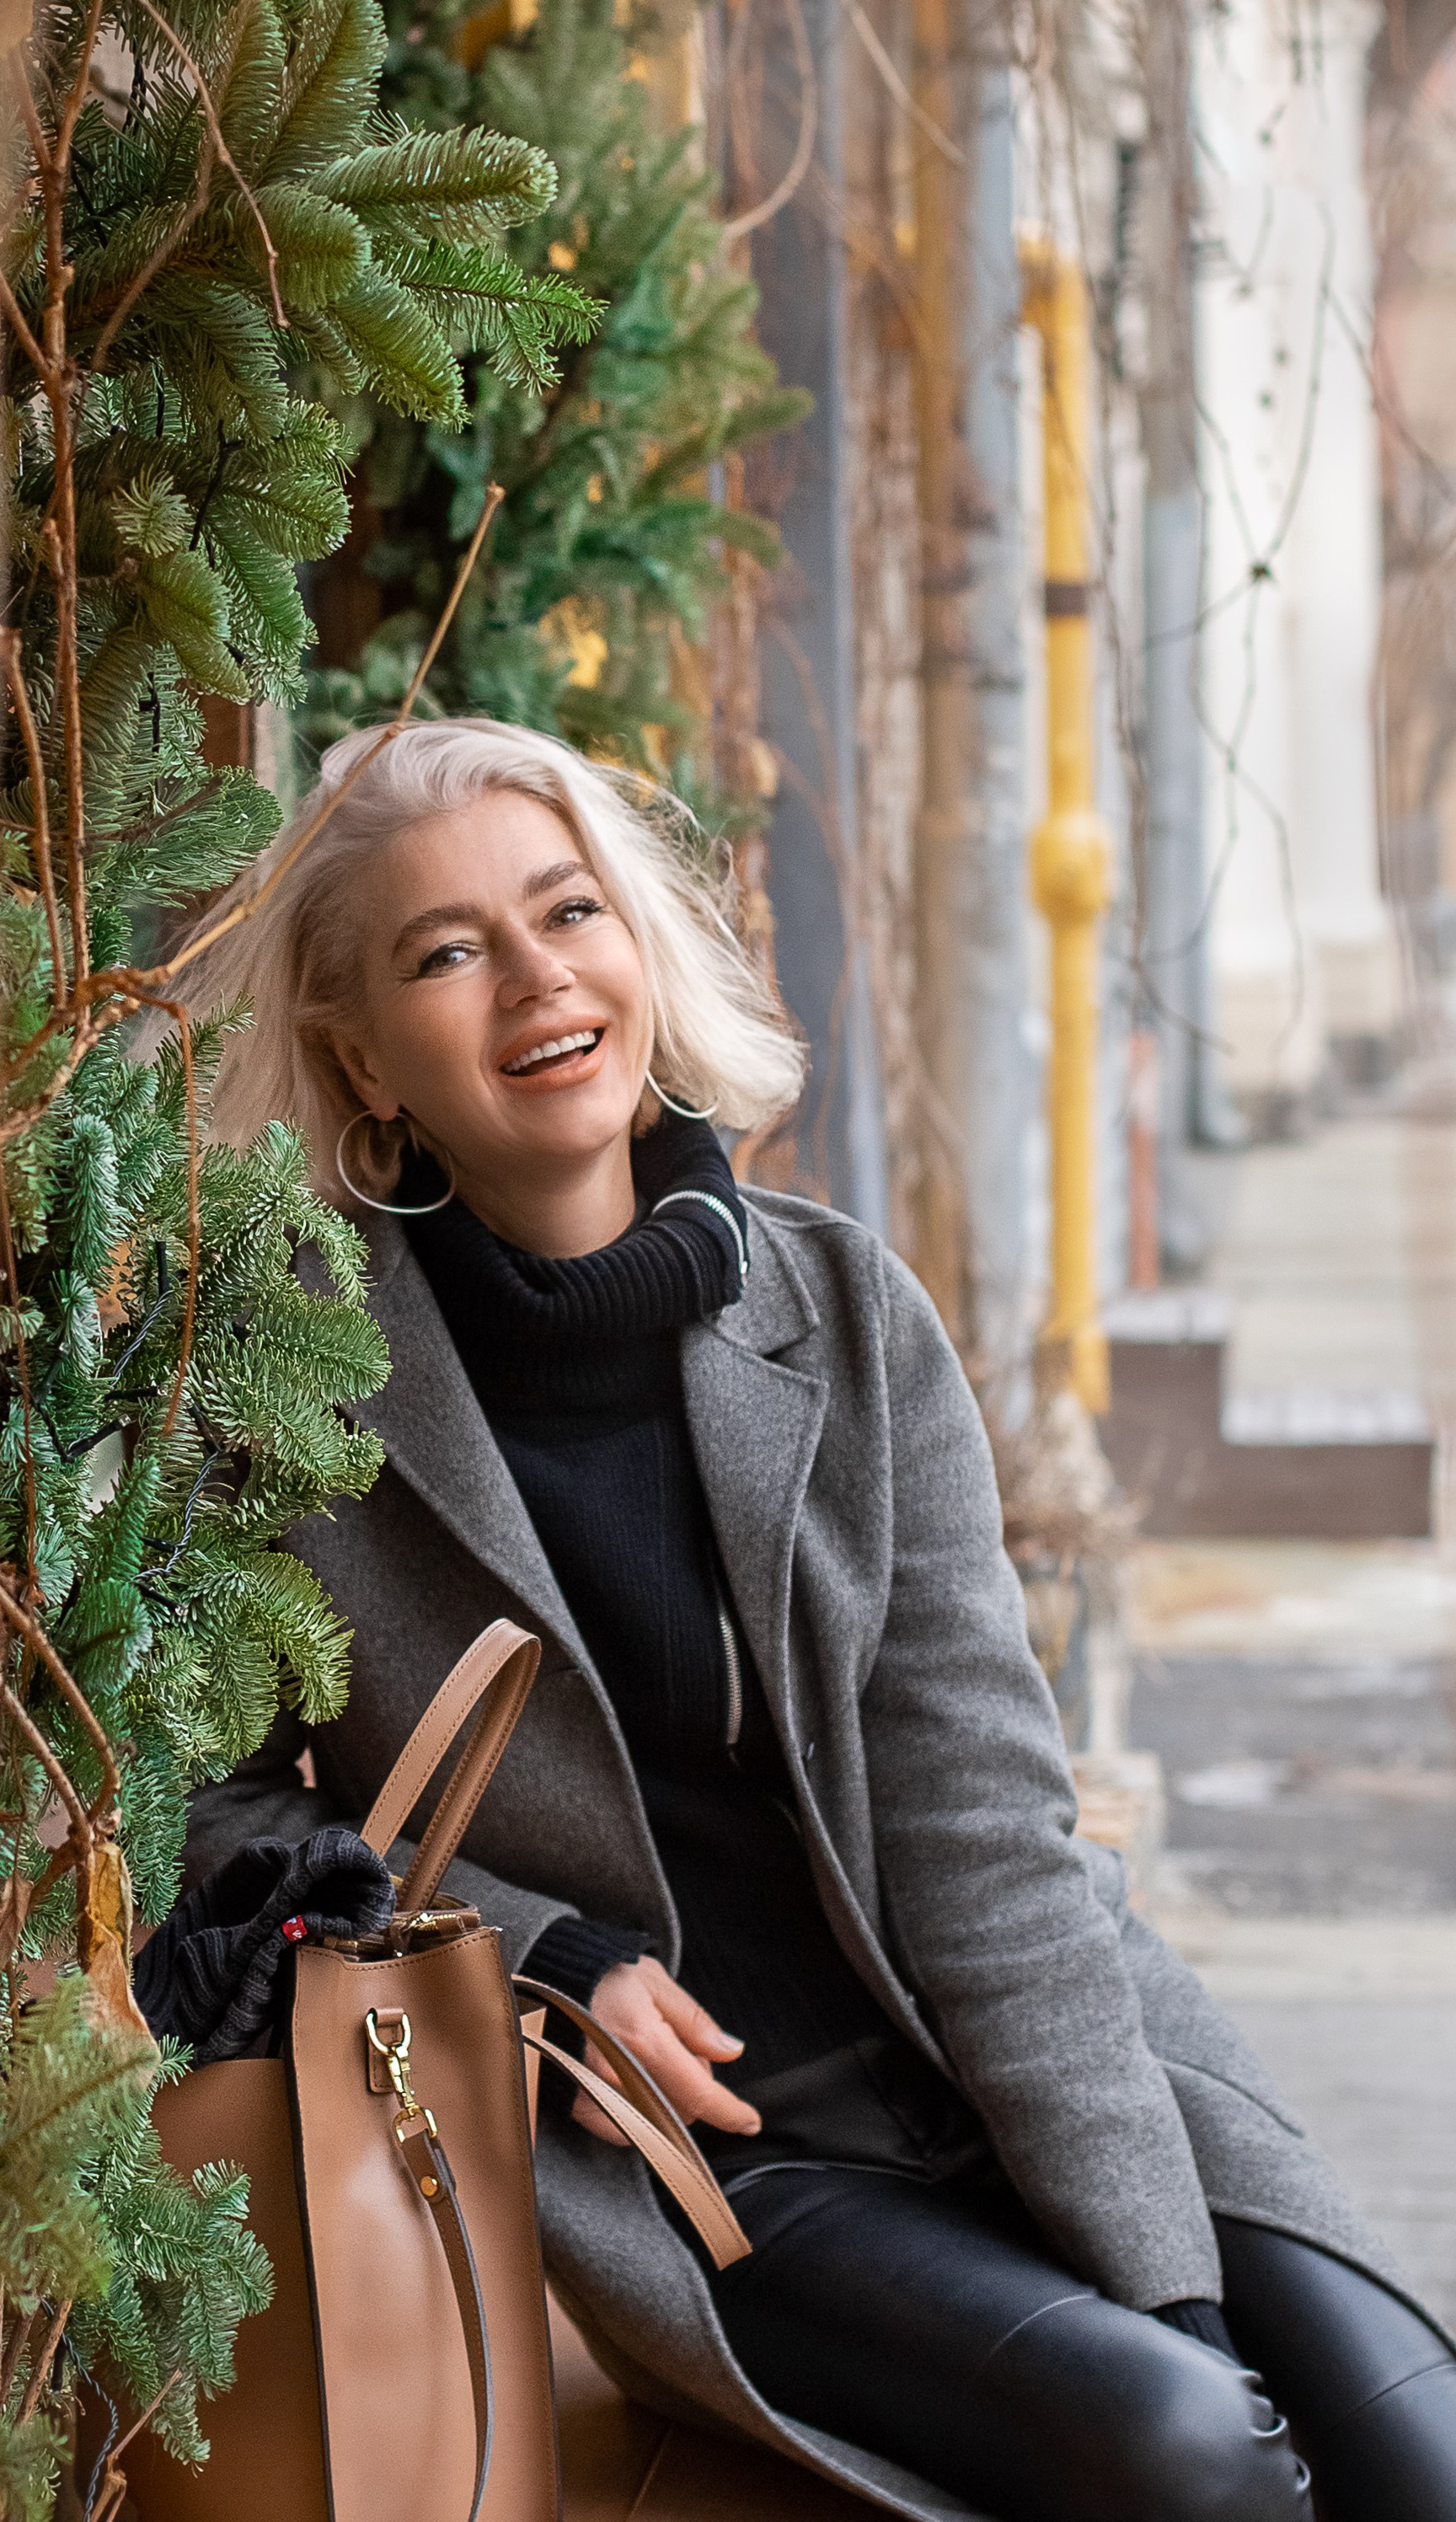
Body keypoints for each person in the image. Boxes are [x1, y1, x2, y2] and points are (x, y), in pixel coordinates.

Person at [180, 717, 1456, 2522]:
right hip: (719, 2178)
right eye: (447, 952)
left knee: (1406, 2458)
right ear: (360, 1055)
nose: (538, 980)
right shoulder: (300, 1403)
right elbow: (209, 1820)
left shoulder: (847, 1314)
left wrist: (1161, 2288)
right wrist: (537, 1963)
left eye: (570, 911)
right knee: (1193, 2460)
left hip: (1030, 2049)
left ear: (638, 941)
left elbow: (985, 1834)